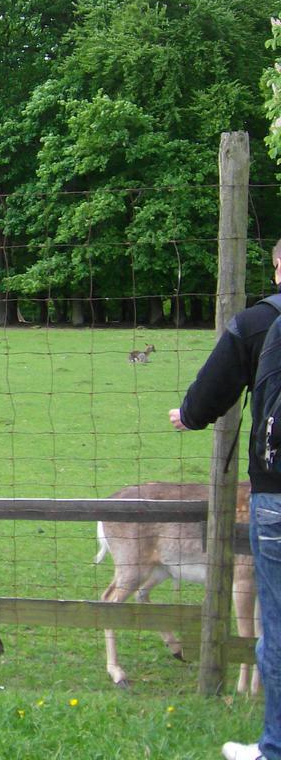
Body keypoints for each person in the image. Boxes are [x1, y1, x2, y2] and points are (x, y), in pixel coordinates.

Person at [170, 242, 281, 760]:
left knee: (275, 625)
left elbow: (207, 397)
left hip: (276, 495)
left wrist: (188, 416)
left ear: (279, 267)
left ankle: (274, 748)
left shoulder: (258, 323)